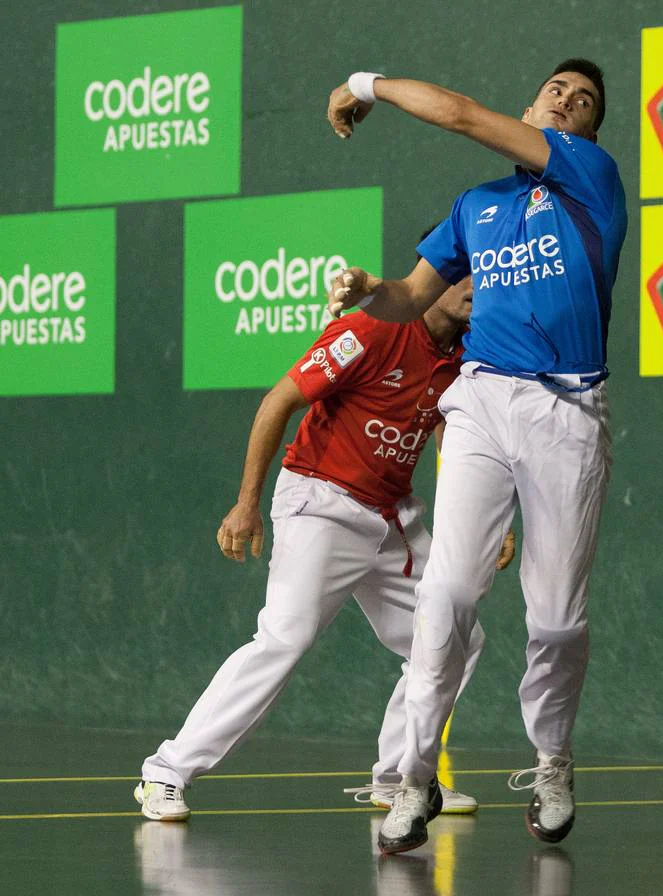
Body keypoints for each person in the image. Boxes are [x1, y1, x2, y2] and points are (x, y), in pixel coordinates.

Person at [325, 58, 627, 853]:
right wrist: (369, 289)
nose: (566, 101)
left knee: (556, 622)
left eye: (583, 102)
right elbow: (411, 296)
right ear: (534, 102)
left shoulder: (590, 178)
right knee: (445, 597)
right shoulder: (475, 207)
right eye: (556, 90)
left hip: (566, 415)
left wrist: (365, 85)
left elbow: (457, 112)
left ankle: (552, 758)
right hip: (481, 403)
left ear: (584, 133)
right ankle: (412, 779)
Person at [134, 273, 514, 822]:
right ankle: (165, 772)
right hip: (322, 501)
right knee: (284, 638)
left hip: (391, 517)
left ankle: (399, 780)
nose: (481, 286)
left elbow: (453, 435)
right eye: (466, 273)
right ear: (432, 275)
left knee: (456, 634)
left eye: (490, 274)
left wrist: (491, 515)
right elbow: (277, 402)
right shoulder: (370, 331)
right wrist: (246, 504)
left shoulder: (465, 357)